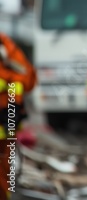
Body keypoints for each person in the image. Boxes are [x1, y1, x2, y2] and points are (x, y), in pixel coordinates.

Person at [0, 33, 37, 200]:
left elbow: (21, 80)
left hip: (5, 117)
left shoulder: (6, 47)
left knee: (5, 167)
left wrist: (12, 110)